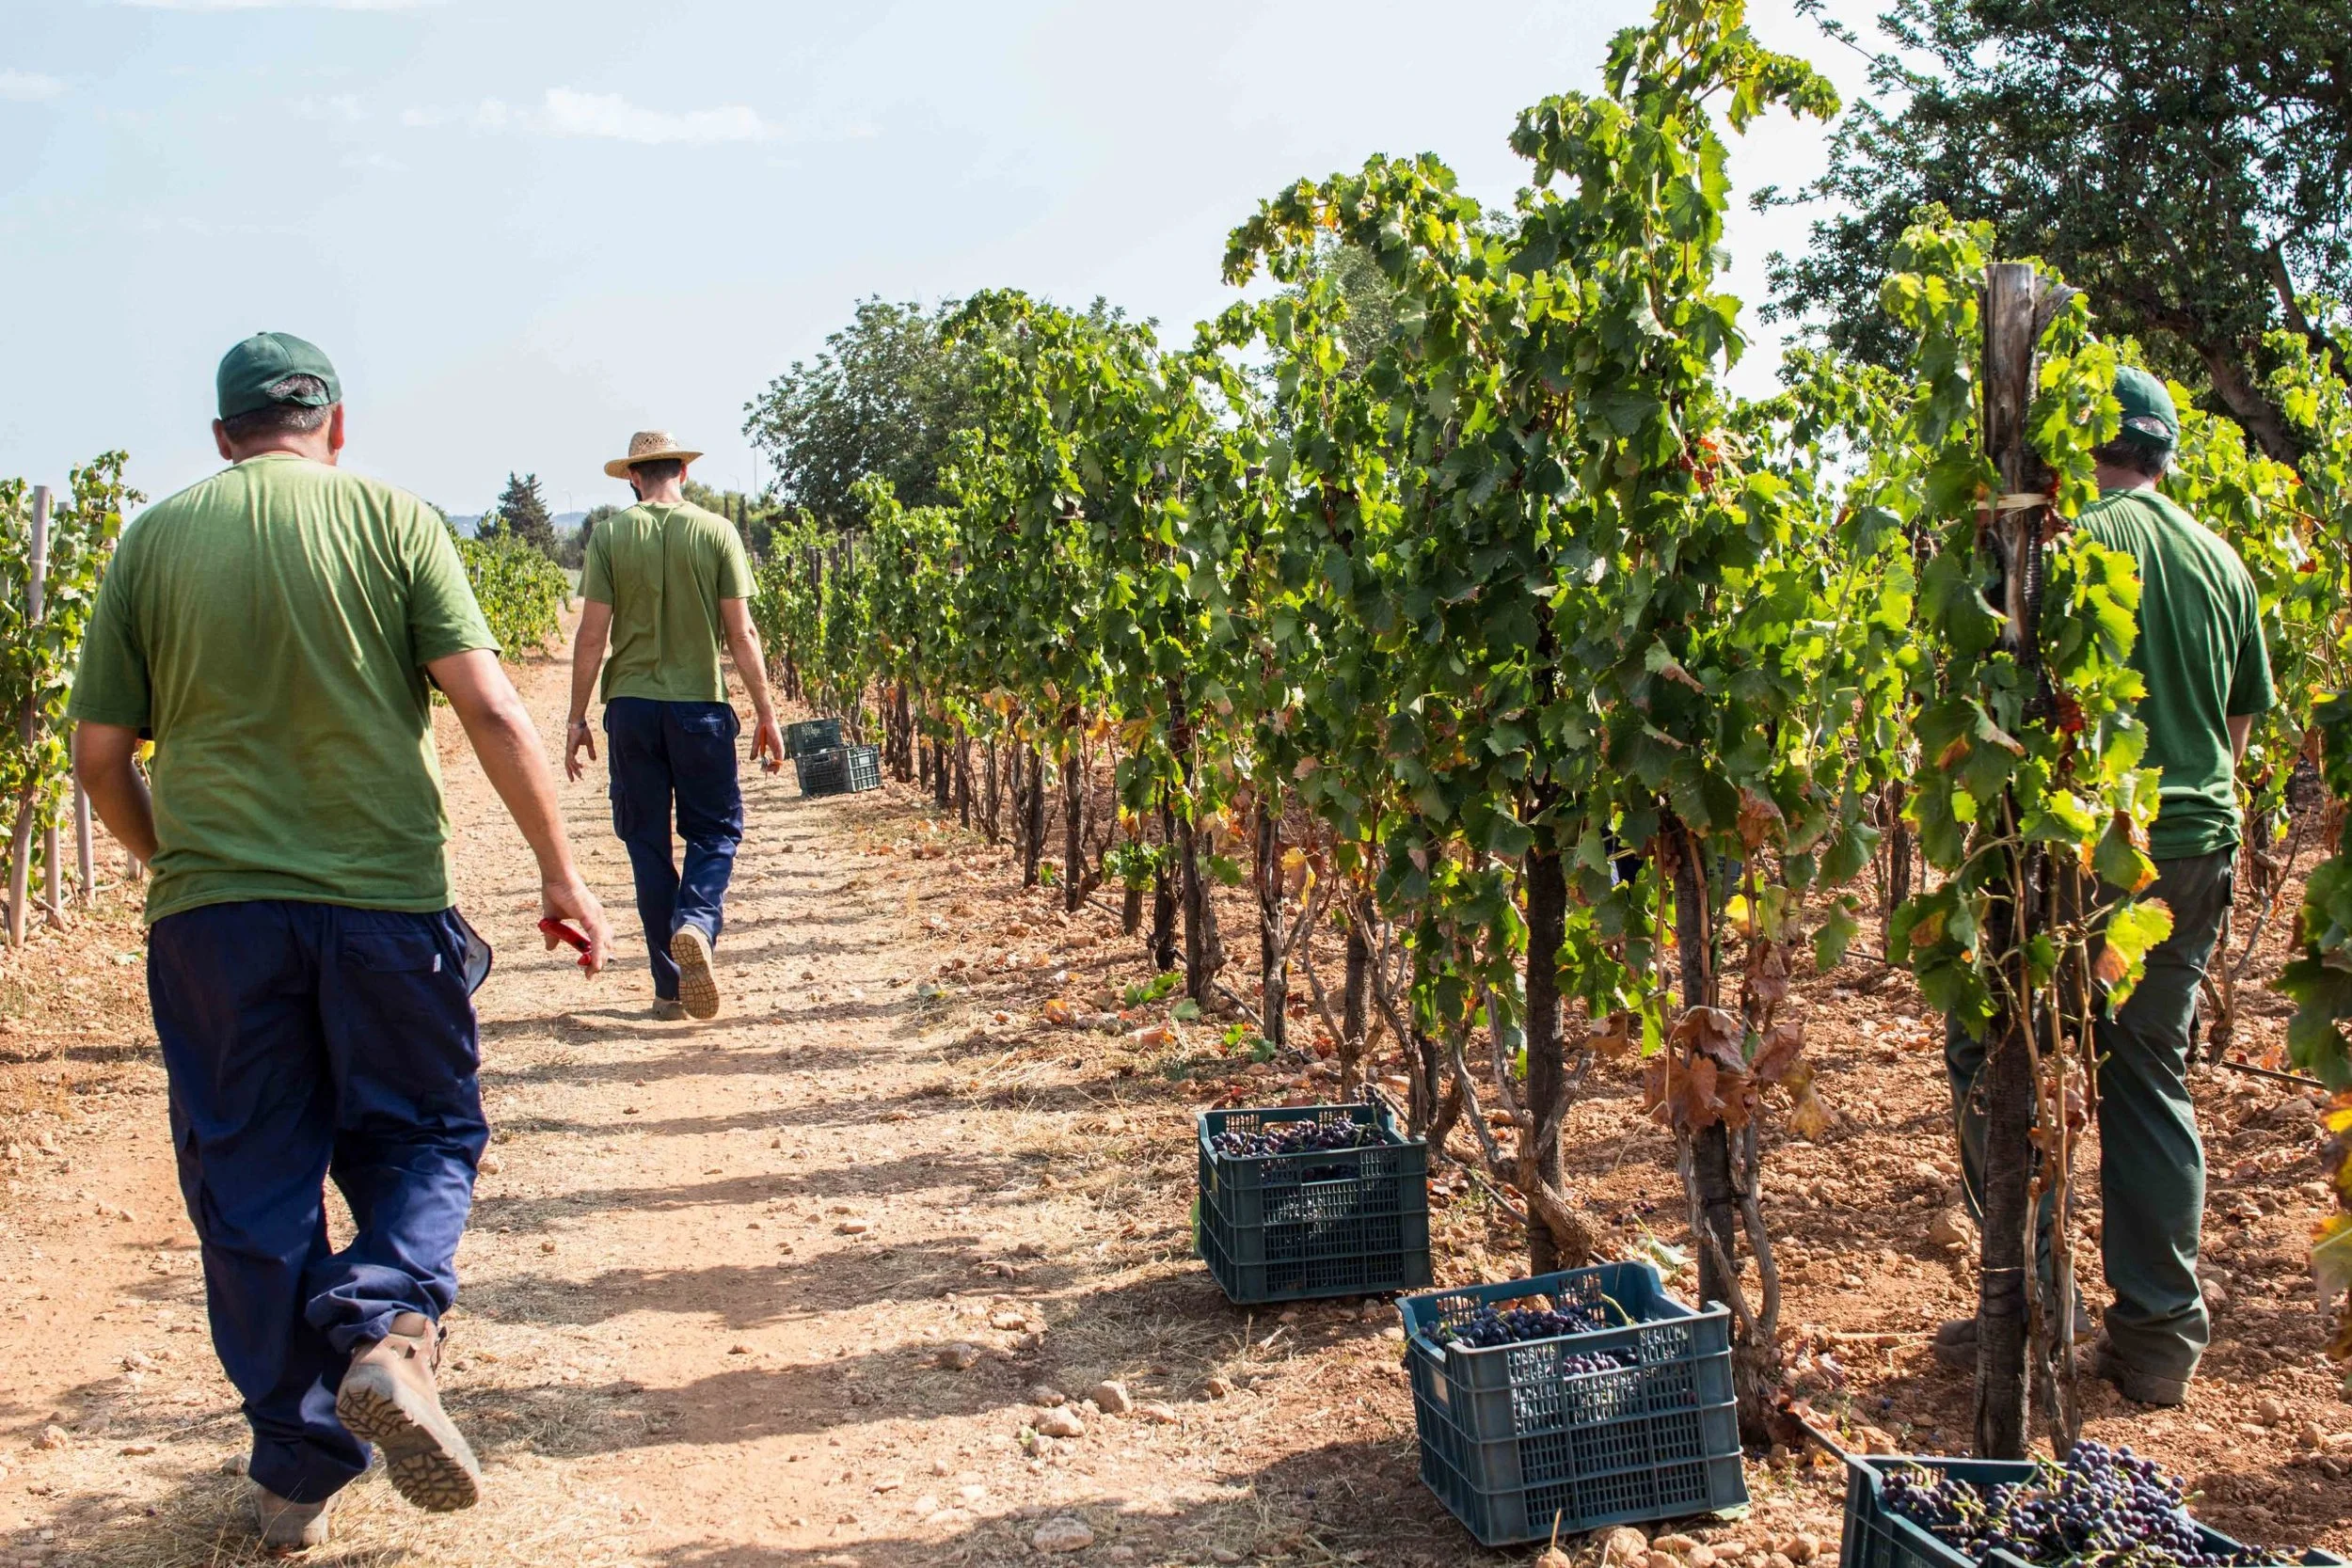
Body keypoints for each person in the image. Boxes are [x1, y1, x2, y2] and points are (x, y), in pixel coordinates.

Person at [70, 333, 614, 1552]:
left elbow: (100, 757)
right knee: (422, 1130)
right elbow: (489, 703)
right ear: (338, 424)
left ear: (224, 436)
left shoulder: (153, 541)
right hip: (386, 905)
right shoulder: (395, 520)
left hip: (216, 920)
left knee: (250, 1180)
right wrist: (560, 868)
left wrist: (180, 869)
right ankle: (389, 1328)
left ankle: (293, 1473)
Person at [1936, 365, 2272, 1407]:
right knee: (2147, 1073)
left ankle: (2031, 1301)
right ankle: (2159, 1340)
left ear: (2082, 447)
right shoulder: (2223, 560)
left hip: (2081, 848)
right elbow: (2238, 728)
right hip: (2191, 848)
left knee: (1995, 1053)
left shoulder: (2061, 543)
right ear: (2165, 452)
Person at [564, 431, 782, 1020]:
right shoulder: (717, 532)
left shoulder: (610, 535)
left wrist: (577, 718)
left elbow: (591, 635)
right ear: (683, 472)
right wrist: (766, 712)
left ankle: (669, 987)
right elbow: (742, 632)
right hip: (699, 709)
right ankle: (697, 922)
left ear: (634, 477)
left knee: (646, 843)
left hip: (631, 709)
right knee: (714, 832)